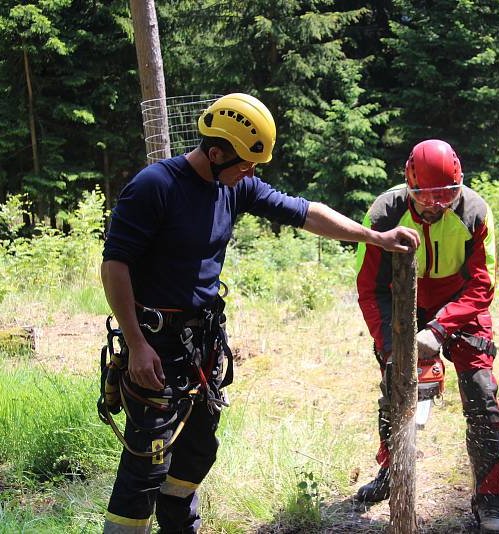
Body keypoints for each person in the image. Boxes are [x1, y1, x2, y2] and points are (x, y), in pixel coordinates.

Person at [100, 92, 419, 534]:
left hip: (201, 347)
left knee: (197, 451)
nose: (251, 175)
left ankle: (179, 526)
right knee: (146, 461)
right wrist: (136, 345)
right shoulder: (156, 187)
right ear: (215, 153)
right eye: (245, 165)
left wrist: (374, 237)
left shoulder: (234, 185)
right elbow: (114, 265)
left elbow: (307, 213)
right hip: (154, 344)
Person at [355, 139, 499, 533]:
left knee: (480, 391)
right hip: (401, 300)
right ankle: (391, 476)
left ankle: (491, 497)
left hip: (460, 306)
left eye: (447, 195)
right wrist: (393, 348)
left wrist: (440, 330)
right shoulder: (384, 213)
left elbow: (482, 285)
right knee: (395, 386)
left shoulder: (475, 213)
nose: (437, 205)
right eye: (428, 196)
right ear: (410, 187)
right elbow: (370, 288)